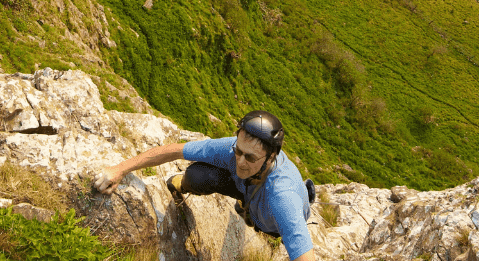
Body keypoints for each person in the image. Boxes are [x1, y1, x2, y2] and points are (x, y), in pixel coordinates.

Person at [93, 110, 317, 261]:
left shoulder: (282, 198)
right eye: (238, 151)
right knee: (198, 175)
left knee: (265, 215)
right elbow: (175, 150)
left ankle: (250, 210)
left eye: (249, 157)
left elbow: (304, 254)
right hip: (248, 187)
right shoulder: (232, 150)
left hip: (270, 220)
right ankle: (243, 202)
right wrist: (121, 168)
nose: (239, 161)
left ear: (271, 158)